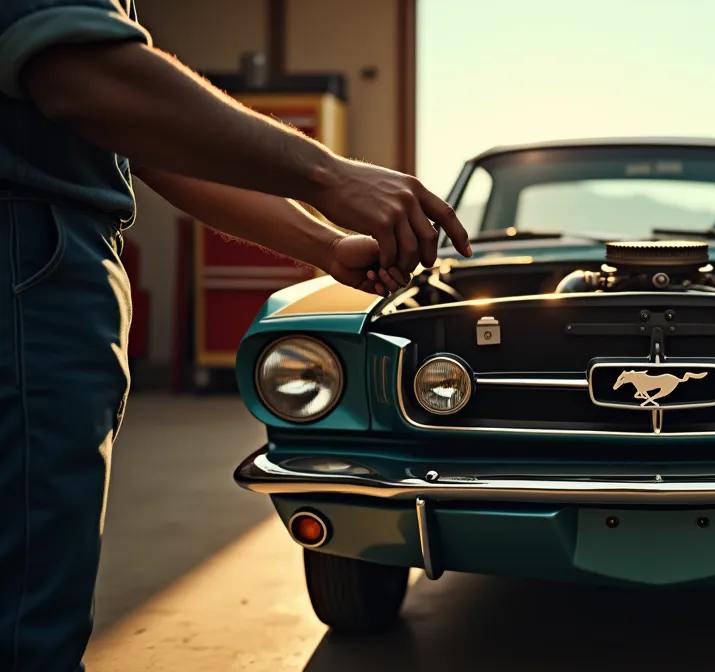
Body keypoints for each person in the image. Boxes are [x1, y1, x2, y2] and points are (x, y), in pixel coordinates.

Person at [0, 2, 472, 669]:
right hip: (29, 254)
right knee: (24, 621)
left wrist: (326, 244)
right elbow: (80, 74)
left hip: (33, 246)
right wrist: (330, 175)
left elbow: (139, 139)